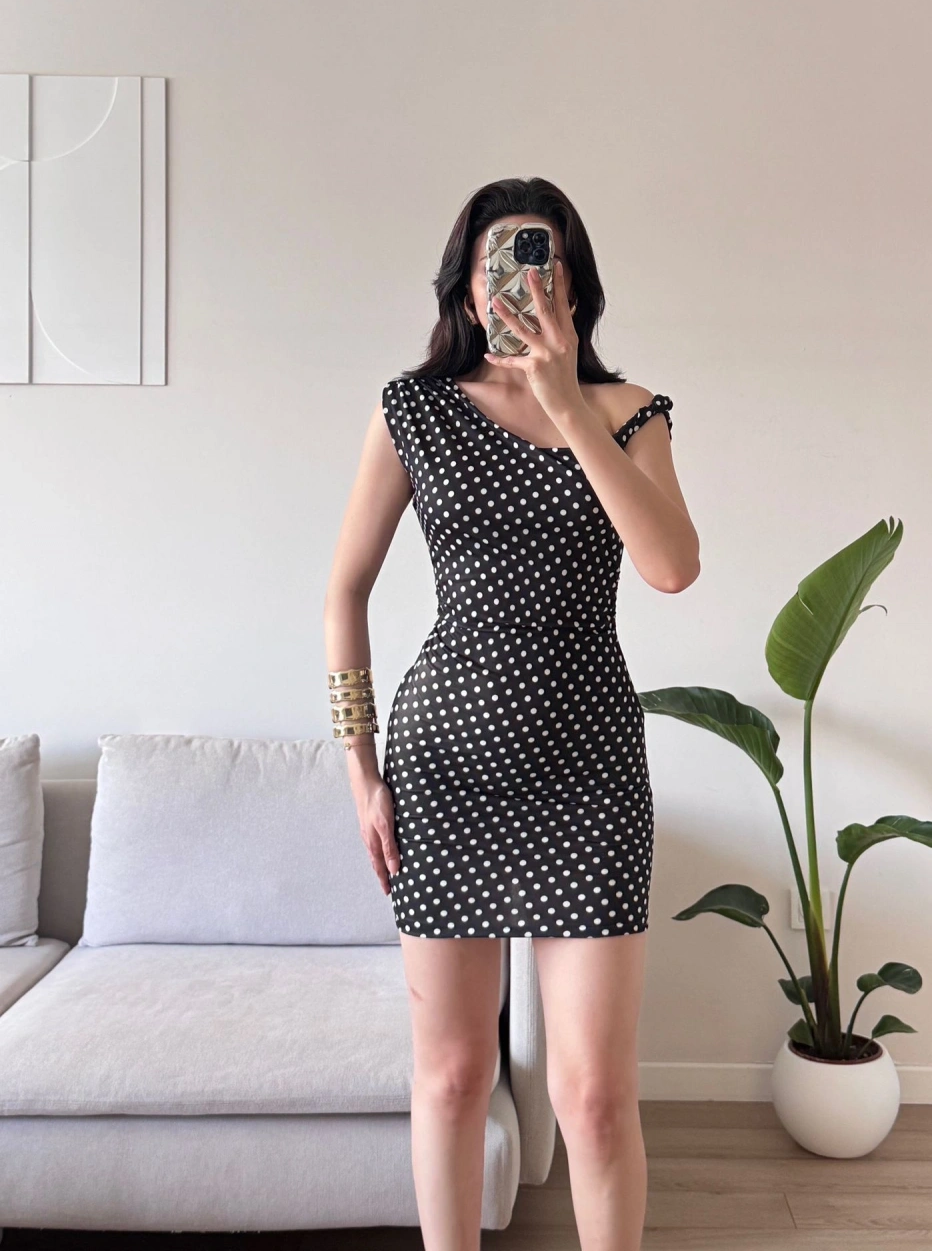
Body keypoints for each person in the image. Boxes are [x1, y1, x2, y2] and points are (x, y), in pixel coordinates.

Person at [323, 176, 700, 1251]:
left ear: (574, 283)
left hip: (590, 774)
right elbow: (344, 589)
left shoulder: (627, 412)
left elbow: (672, 566)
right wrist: (360, 770)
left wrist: (568, 403)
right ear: (466, 285)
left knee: (595, 1098)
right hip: (444, 770)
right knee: (451, 1075)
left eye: (544, 260)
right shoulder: (414, 410)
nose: (523, 283)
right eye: (502, 262)